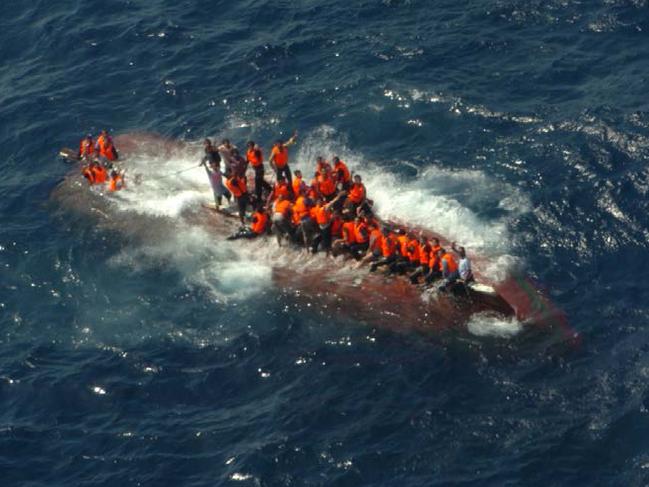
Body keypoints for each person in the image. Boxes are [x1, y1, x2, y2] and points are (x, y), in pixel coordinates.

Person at [201, 139, 231, 208]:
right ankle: (218, 204)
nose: (206, 144)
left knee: (219, 179)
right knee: (215, 183)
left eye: (207, 143)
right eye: (205, 143)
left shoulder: (213, 148)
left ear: (209, 143)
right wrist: (202, 162)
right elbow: (207, 156)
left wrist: (215, 149)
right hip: (213, 166)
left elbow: (216, 150)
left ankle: (227, 201)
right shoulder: (206, 149)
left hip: (217, 165)